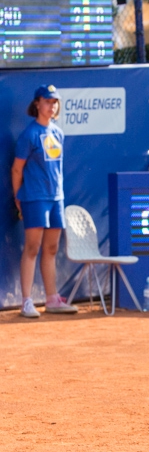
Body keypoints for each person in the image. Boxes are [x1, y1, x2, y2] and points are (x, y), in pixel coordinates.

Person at [11, 85, 78, 318]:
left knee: (51, 248)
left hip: (55, 198)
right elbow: (17, 169)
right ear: (37, 104)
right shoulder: (29, 135)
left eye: (55, 102)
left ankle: (52, 299)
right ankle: (27, 302)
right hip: (34, 197)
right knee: (32, 248)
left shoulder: (58, 133)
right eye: (48, 101)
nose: (52, 106)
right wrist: (18, 196)